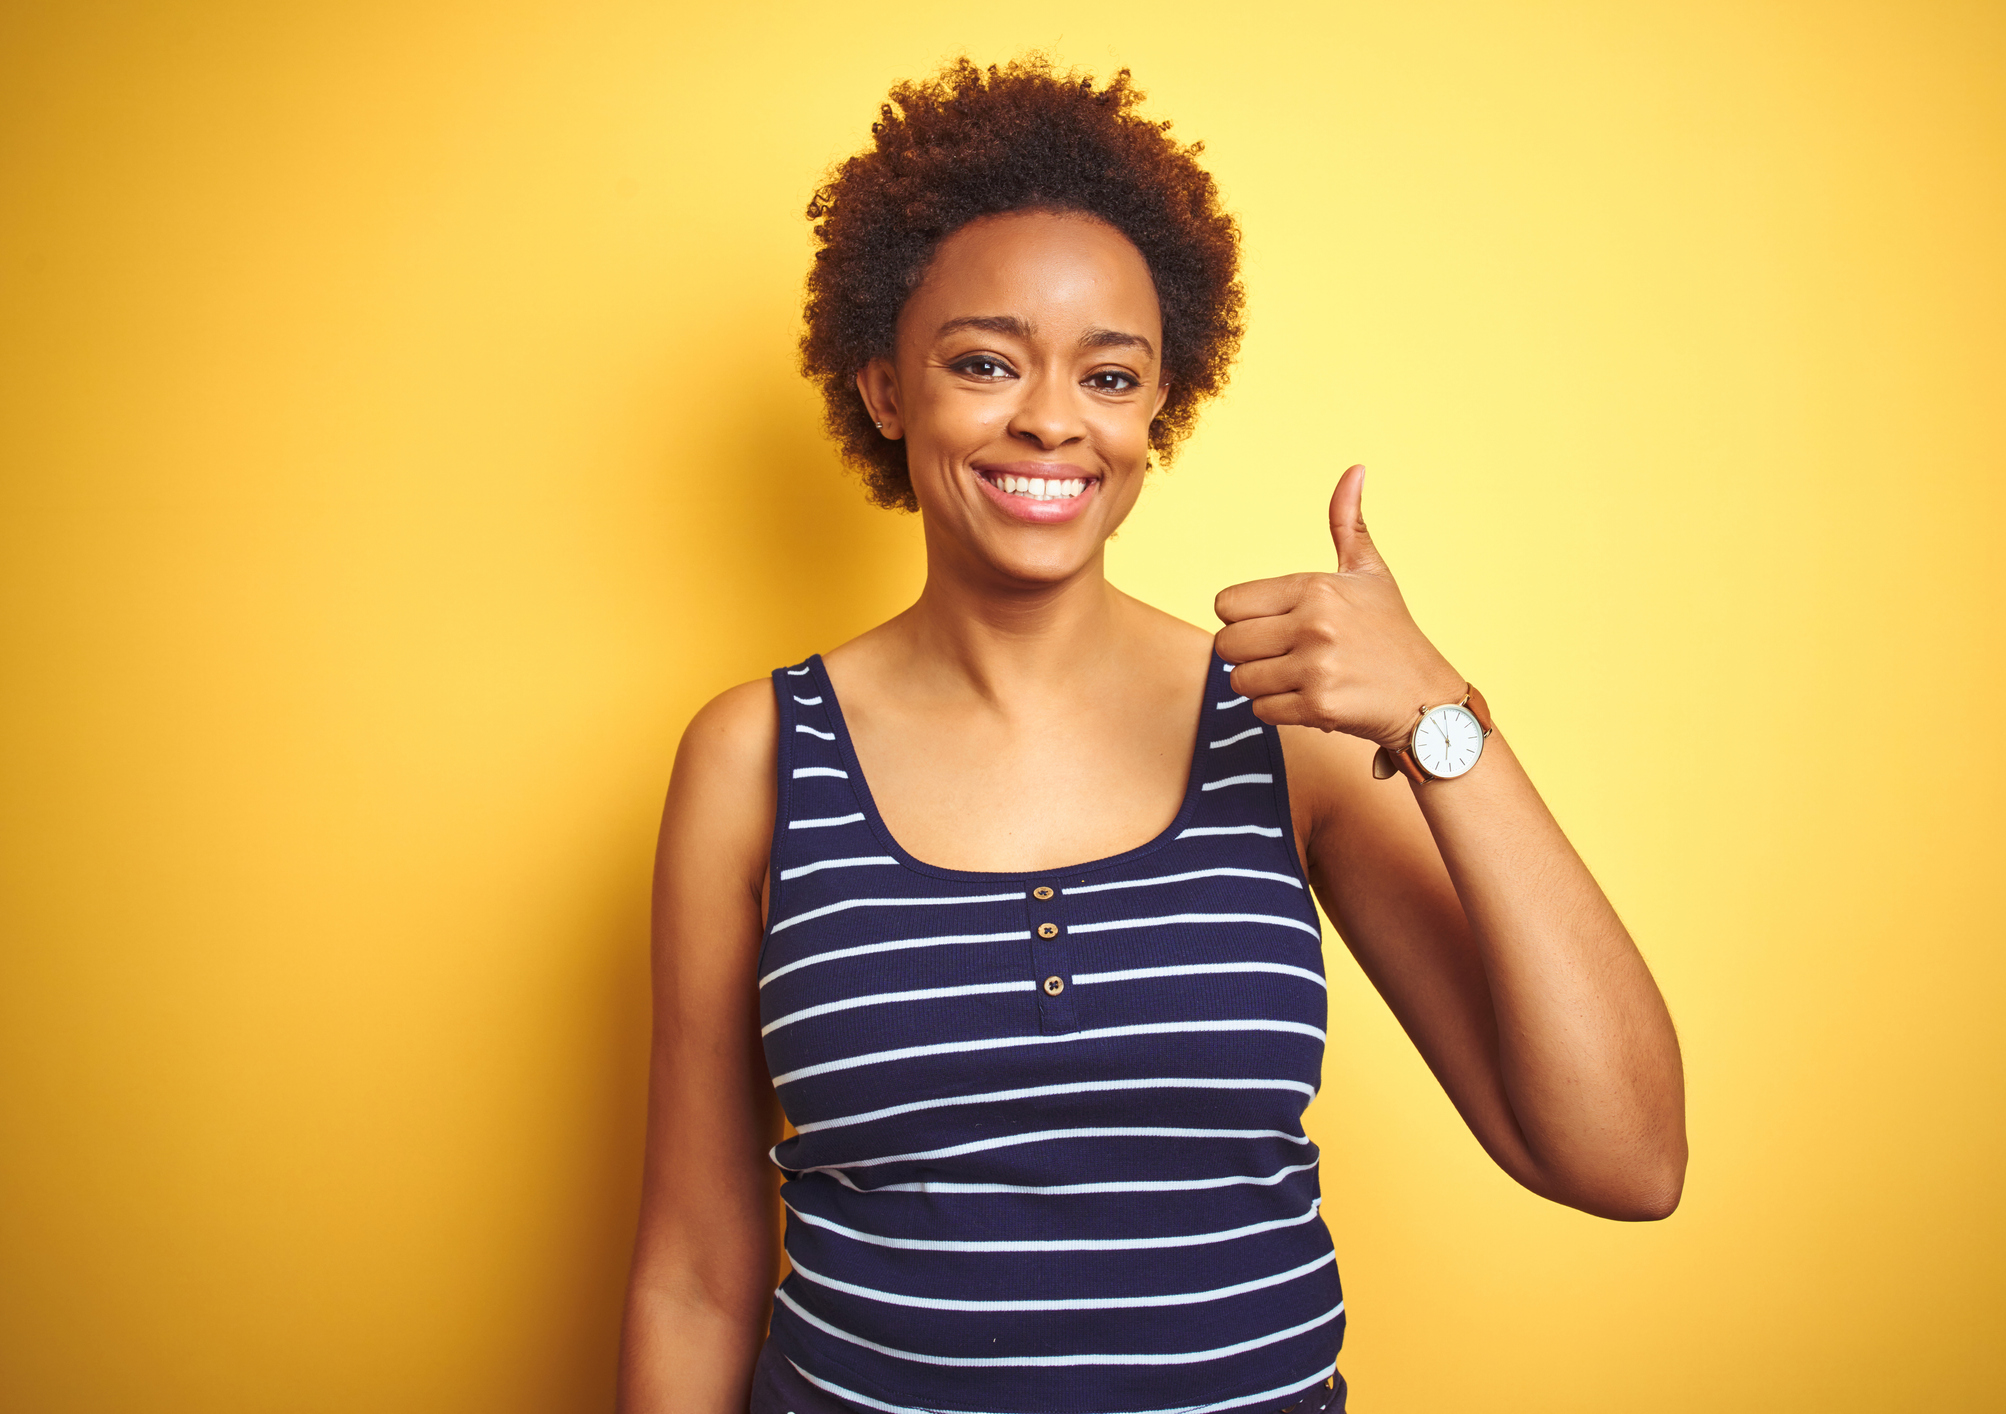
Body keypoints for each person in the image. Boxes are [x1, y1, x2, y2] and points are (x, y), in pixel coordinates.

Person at [619, 57, 1686, 1414]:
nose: (1053, 418)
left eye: (1109, 374)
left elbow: (1625, 1156)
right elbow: (695, 1273)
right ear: (886, 388)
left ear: (1156, 406)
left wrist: (1436, 712)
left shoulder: (1278, 728)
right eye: (984, 361)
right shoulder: (754, 757)